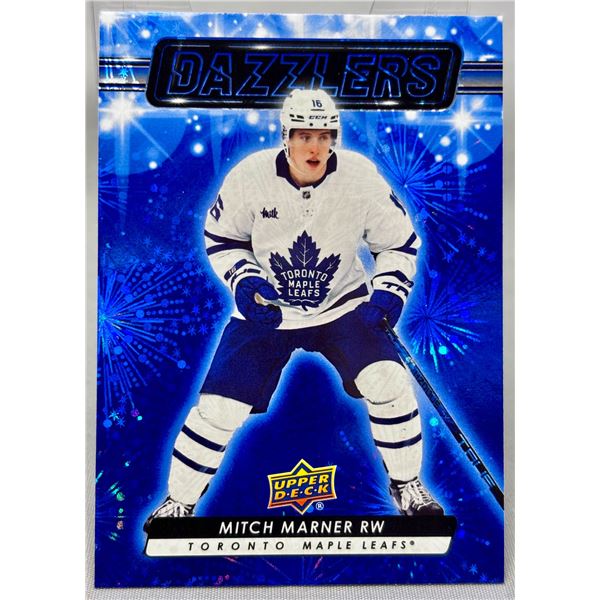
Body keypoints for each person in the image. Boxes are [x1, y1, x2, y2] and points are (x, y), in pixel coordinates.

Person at [145, 89, 442, 527]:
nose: (315, 147)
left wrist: (388, 292)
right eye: (304, 135)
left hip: (343, 305)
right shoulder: (250, 177)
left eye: (324, 136)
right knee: (218, 408)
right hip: (268, 311)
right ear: (285, 136)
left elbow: (397, 243)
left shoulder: (360, 177)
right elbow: (223, 239)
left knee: (389, 380)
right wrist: (245, 281)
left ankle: (408, 485)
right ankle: (179, 503)